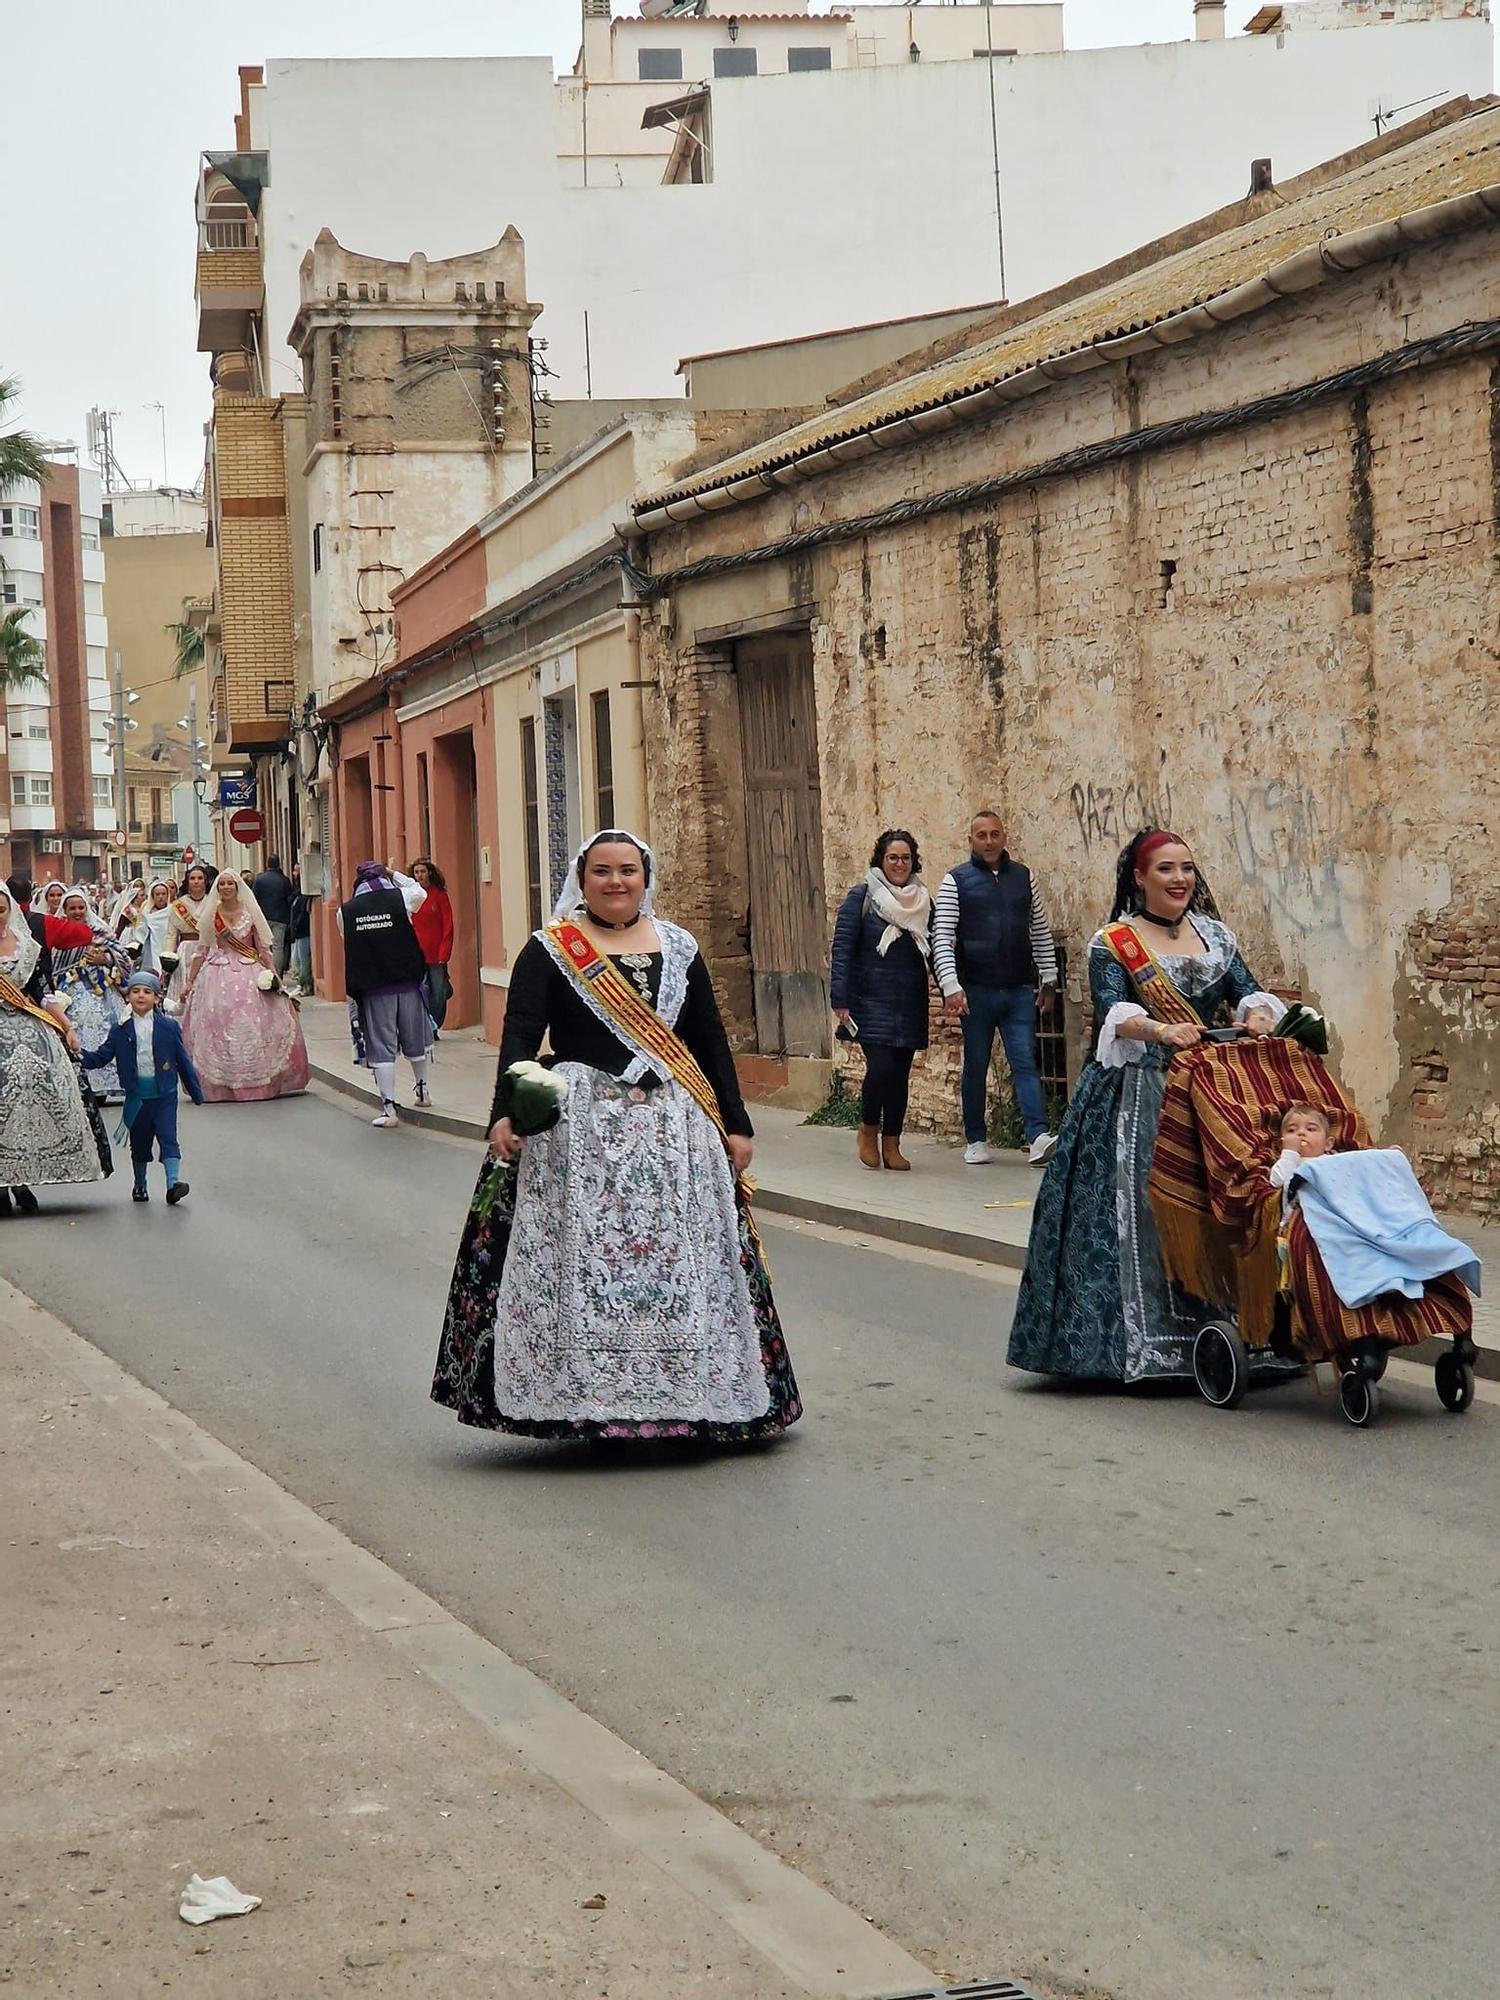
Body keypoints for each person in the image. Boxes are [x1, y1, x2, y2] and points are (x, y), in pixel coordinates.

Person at [431, 829, 801, 1444]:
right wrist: (505, 1113)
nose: (616, 882)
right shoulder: (551, 950)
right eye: (602, 871)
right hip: (581, 1136)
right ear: (582, 878)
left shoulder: (680, 947)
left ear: (645, 876)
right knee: (584, 1255)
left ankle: (692, 1392)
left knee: (682, 1260)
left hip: (674, 1134)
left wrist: (736, 1122)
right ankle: (588, 1398)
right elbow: (521, 1034)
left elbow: (708, 1036)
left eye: (627, 870)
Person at [1007, 828, 1287, 1384]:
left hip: (1212, 1091)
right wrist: (1161, 1028)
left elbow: (1250, 991)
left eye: (1186, 867)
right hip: (1138, 1093)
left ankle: (1239, 1334)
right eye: (1165, 869)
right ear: (1139, 877)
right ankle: (1141, 1347)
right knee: (1140, 1214)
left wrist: (1257, 1017)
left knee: (1225, 1202)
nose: (1179, 878)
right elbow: (1115, 1013)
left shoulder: (1216, 936)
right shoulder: (1113, 942)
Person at [931, 811, 1059, 1168]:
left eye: (995, 834)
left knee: (1025, 1062)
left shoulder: (1023, 878)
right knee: (976, 1063)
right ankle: (974, 1138)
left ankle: (1038, 1137)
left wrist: (1048, 978)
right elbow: (942, 935)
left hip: (1018, 988)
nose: (989, 841)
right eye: (981, 835)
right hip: (975, 991)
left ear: (1005, 837)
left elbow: (1039, 930)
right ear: (970, 839)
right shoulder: (956, 880)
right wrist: (951, 986)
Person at [0, 887, 111, 1214]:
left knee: (40, 1094)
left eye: (1, 908)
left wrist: (68, 1027)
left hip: (28, 1025)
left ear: (10, 910)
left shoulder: (28, 948)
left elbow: (43, 992)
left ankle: (22, 1181)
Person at [829, 828, 933, 1171]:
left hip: (909, 1000)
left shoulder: (923, 901)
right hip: (870, 1000)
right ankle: (867, 1129)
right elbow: (842, 950)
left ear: (912, 861)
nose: (899, 864)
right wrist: (840, 999)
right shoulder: (862, 898)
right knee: (881, 1069)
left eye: (905, 858)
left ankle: (893, 1143)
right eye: (893, 857)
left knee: (900, 1074)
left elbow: (935, 949)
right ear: (881, 860)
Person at [181, 869, 310, 1102]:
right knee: (216, 1023)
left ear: (238, 886)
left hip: (249, 970)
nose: (227, 887)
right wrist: (189, 981)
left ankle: (260, 1081)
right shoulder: (211, 914)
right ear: (217, 888)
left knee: (256, 1021)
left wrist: (275, 977)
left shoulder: (250, 913)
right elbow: (201, 951)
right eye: (223, 884)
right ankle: (221, 1085)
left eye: (231, 883)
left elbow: (262, 949)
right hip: (216, 973)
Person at [81, 970, 204, 1204]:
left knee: (168, 1137)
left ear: (157, 998)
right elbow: (101, 1057)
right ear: (127, 996)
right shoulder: (120, 1030)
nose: (140, 996)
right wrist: (77, 1054)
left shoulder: (168, 1027)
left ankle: (173, 1183)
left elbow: (183, 1060)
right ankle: (140, 1184)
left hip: (165, 1094)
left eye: (147, 992)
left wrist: (195, 1091)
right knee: (140, 1143)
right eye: (135, 991)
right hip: (137, 1097)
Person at [336, 861, 431, 1128]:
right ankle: (422, 1090)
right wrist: (395, 874)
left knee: (382, 1047)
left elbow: (348, 939)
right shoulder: (401, 898)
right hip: (407, 982)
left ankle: (389, 1109)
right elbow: (420, 891)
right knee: (416, 1040)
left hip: (375, 988)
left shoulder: (346, 911)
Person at [51, 889, 133, 1103]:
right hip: (70, 991)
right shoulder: (59, 933)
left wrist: (104, 959)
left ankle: (107, 1084)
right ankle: (82, 1083)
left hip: (103, 991)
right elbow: (52, 964)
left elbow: (124, 959)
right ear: (65, 910)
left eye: (81, 907)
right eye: (72, 908)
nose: (77, 912)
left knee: (109, 1030)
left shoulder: (100, 931)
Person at [410, 857, 454, 1036]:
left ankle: (434, 1025)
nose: (420, 875)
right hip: (416, 953)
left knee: (438, 992)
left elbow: (448, 925)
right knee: (421, 991)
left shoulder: (439, 896)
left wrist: (445, 951)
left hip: (436, 954)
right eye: (416, 872)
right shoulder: (411, 897)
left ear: (429, 873)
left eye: (422, 871)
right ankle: (424, 1026)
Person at [164, 864, 216, 1012]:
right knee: (184, 988)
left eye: (200, 878)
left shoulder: (214, 903)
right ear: (187, 882)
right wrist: (168, 959)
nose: (196, 881)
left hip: (208, 948)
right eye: (192, 878)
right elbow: (171, 935)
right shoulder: (178, 906)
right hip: (185, 950)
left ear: (205, 881)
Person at [252, 854, 294, 974]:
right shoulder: (284, 880)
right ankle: (276, 974)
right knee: (278, 947)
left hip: (263, 918)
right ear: (279, 864)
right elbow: (289, 899)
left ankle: (266, 972)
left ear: (267, 864)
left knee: (265, 947)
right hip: (280, 918)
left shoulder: (260, 880)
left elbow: (254, 899)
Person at [109, 880, 158, 975]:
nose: (144, 898)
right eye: (141, 896)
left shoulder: (147, 908)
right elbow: (120, 927)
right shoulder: (128, 910)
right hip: (129, 936)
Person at [287, 866, 314, 996]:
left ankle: (305, 985)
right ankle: (303, 984)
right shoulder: (298, 896)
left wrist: (296, 926)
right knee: (299, 960)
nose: (294, 874)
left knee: (304, 961)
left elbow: (302, 915)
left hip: (303, 932)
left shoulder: (303, 898)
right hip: (299, 933)